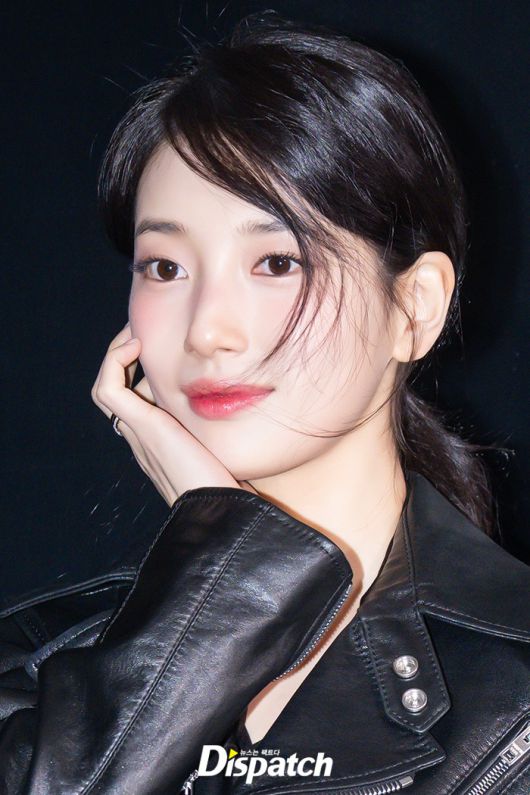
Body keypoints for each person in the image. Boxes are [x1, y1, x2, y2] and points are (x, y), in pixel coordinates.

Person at [1, 11, 529, 795]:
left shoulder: (515, 695)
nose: (207, 330)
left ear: (414, 307)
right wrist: (224, 567)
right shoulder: (34, 663)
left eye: (277, 261)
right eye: (165, 267)